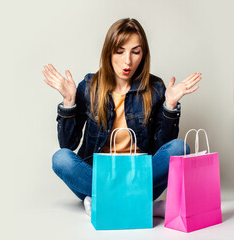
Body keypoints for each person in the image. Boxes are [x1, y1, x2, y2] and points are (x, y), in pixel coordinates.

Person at [42, 18, 201, 217]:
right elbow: (68, 144)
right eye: (120, 51)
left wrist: (169, 106)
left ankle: (104, 201)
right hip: (98, 174)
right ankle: (142, 204)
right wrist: (68, 101)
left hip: (140, 173)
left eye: (135, 52)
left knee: (180, 148)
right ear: (109, 52)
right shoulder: (89, 87)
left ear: (143, 55)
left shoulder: (155, 88)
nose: (128, 61)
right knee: (61, 159)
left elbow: (164, 146)